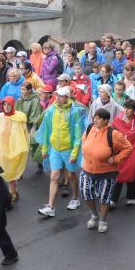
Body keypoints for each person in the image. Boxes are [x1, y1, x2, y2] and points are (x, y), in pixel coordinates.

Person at [79, 109, 132, 233]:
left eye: (98, 118)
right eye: (94, 117)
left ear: (106, 120)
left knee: (104, 197)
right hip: (87, 169)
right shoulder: (90, 128)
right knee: (85, 194)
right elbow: (84, 139)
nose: (95, 120)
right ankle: (94, 214)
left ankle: (102, 220)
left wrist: (116, 159)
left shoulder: (113, 134)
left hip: (107, 173)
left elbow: (128, 148)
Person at [36, 87, 83, 216]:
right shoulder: (51, 110)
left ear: (67, 97)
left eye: (61, 96)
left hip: (68, 149)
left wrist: (74, 153)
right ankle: (50, 207)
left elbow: (78, 135)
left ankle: (75, 198)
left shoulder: (74, 112)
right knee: (54, 176)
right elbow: (46, 131)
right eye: (57, 95)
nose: (57, 98)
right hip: (55, 149)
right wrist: (45, 148)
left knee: (70, 176)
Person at [0, 96, 29, 203]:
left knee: (11, 172)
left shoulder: (18, 118)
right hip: (0, 149)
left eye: (9, 105)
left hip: (13, 148)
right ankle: (6, 193)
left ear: (13, 105)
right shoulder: (0, 117)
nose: (6, 107)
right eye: (4, 104)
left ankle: (13, 193)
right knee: (0, 172)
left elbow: (22, 134)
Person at [111, 100, 135, 206]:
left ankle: (131, 197)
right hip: (120, 151)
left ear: (134, 111)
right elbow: (112, 134)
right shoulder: (118, 120)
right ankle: (113, 200)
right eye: (125, 108)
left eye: (129, 109)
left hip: (133, 151)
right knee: (118, 175)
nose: (126, 110)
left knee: (132, 173)